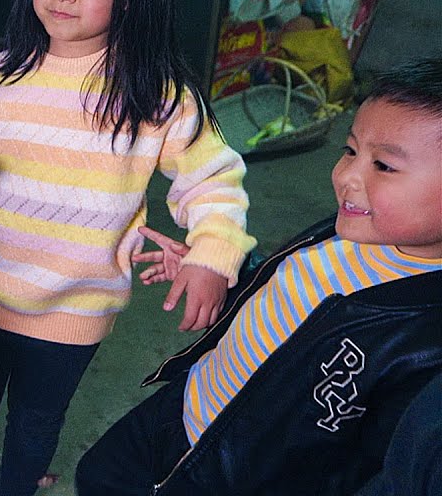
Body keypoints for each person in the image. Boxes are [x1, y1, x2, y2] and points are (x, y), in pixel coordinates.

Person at [0, 0, 257, 496]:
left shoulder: (155, 95)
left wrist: (212, 254)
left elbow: (213, 179)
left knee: (33, 428)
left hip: (73, 312)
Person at [76, 58, 442, 495]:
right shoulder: (346, 231)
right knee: (97, 475)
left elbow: (371, 470)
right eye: (350, 150)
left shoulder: (426, 347)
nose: (346, 176)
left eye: (383, 166)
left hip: (241, 478)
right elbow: (287, 300)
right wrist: (226, 277)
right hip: (184, 406)